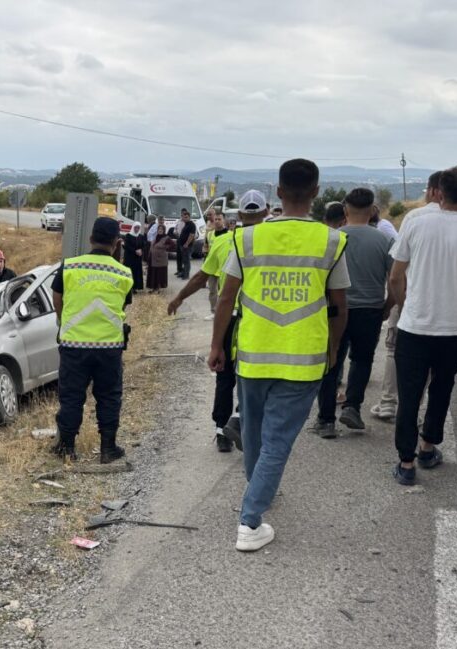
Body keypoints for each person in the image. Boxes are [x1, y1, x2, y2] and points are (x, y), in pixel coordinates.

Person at [210, 159, 349, 551]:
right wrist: (333, 349)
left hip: (253, 353)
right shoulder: (331, 241)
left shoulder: (247, 239)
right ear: (317, 192)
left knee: (254, 435)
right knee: (277, 442)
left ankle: (260, 489)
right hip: (303, 358)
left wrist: (217, 344)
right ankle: (250, 521)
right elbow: (340, 305)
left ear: (279, 191)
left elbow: (226, 296)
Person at [389, 166, 457, 485]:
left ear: (439, 191)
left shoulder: (415, 223)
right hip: (456, 329)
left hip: (414, 327)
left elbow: (396, 276)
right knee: (441, 387)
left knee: (409, 396)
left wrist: (405, 305)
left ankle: (406, 464)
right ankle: (427, 446)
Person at [168, 189, 268, 453]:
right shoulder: (272, 243)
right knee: (254, 376)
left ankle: (222, 429)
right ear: (267, 212)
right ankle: (242, 420)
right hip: (258, 322)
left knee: (224, 377)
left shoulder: (226, 243)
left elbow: (202, 278)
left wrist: (179, 297)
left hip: (229, 319)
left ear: (239, 216)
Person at [312, 188, 395, 437]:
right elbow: (395, 280)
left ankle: (326, 419)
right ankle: (352, 407)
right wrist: (387, 306)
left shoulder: (331, 238)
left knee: (330, 359)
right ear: (372, 211)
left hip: (335, 309)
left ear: (345, 210)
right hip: (370, 308)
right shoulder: (385, 241)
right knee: (362, 359)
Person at [51, 217, 134, 464]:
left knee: (71, 396)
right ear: (116, 242)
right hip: (109, 347)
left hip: (74, 345)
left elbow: (58, 297)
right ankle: (108, 449)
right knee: (109, 396)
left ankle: (67, 448)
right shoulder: (124, 273)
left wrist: (65, 320)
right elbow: (124, 304)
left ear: (90, 239)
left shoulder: (69, 266)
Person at [370, 170, 442, 422]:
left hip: (411, 297)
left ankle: (388, 402)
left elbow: (397, 271)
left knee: (393, 349)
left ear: (433, 191)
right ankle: (416, 407)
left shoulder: (414, 218)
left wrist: (396, 303)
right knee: (431, 361)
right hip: (443, 306)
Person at [203, 209, 228, 314]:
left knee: (224, 291)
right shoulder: (209, 235)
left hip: (224, 267)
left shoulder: (230, 234)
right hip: (212, 268)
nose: (217, 221)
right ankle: (214, 311)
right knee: (212, 291)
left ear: (224, 221)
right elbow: (206, 249)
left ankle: (223, 311)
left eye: (219, 219)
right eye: (216, 219)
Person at [147, 224, 175, 292]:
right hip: (153, 258)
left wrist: (165, 248)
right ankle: (154, 287)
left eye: (161, 229)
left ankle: (158, 288)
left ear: (164, 230)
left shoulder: (166, 237)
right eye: (159, 229)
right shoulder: (156, 237)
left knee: (159, 273)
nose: (160, 230)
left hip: (161, 259)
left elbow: (173, 245)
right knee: (154, 273)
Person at [122, 223, 146, 292]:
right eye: (136, 227)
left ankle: (135, 287)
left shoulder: (141, 236)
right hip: (129, 258)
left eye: (138, 228)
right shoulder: (128, 236)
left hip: (137, 258)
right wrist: (135, 251)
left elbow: (144, 245)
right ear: (133, 227)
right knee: (129, 272)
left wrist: (141, 250)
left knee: (136, 273)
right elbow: (126, 246)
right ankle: (128, 287)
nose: (137, 229)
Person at [175, 208, 197, 279]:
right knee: (184, 260)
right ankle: (183, 272)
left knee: (187, 261)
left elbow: (191, 235)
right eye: (183, 217)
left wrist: (187, 244)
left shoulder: (191, 224)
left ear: (189, 217)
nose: (184, 218)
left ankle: (186, 275)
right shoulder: (186, 224)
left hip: (187, 246)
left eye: (186, 217)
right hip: (182, 245)